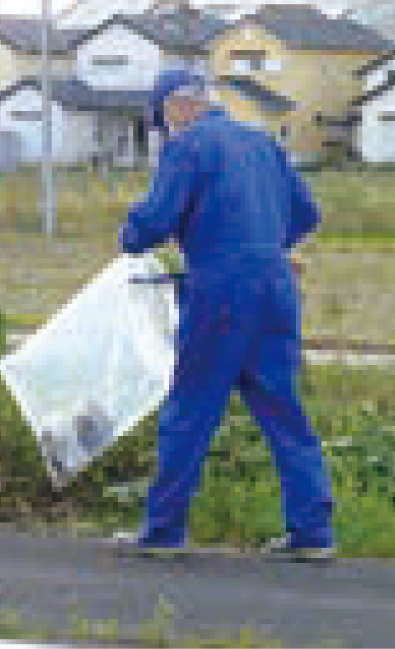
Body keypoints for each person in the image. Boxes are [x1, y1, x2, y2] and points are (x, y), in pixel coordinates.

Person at [114, 67, 336, 560]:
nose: (164, 131)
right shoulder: (262, 145)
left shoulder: (188, 147)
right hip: (275, 287)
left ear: (174, 106)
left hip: (219, 290)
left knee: (192, 405)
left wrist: (131, 235)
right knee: (283, 410)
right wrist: (262, 245)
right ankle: (312, 533)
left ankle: (164, 531)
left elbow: (153, 221)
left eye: (161, 121)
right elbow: (307, 213)